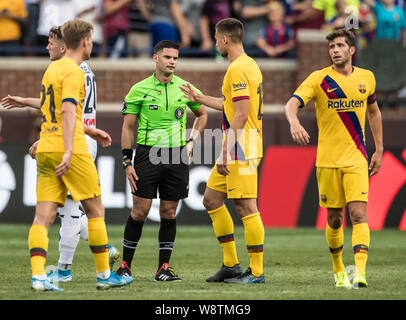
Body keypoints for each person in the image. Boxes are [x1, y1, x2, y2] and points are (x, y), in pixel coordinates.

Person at [1, 25, 121, 284]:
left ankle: (64, 269)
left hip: (74, 141)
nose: (48, 47)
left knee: (69, 211)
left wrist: (47, 139)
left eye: (52, 42)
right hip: (77, 137)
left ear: (65, 45)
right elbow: (58, 106)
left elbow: (64, 111)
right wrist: (25, 100)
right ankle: (102, 258)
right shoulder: (81, 70)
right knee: (79, 209)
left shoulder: (66, 69)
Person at [284, 28, 383, 289]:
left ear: (351, 50)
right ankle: (339, 270)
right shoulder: (319, 79)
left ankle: (360, 273)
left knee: (358, 213)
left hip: (357, 159)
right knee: (335, 219)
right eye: (331, 47)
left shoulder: (367, 78)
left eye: (339, 46)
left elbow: (373, 112)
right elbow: (291, 103)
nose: (335, 50)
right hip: (327, 161)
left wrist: (379, 149)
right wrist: (294, 122)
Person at [180, 18, 265, 284]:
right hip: (241, 142)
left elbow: (240, 115)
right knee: (211, 199)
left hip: (242, 144)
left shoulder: (238, 69)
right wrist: (199, 98)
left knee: (245, 205)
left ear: (225, 39)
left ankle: (257, 272)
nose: (216, 43)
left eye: (217, 39)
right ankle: (230, 265)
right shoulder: (246, 65)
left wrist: (226, 151)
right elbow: (230, 105)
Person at [117, 40, 207, 282]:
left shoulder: (185, 88)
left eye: (175, 58)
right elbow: (128, 127)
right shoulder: (139, 88)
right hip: (147, 155)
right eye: (167, 57)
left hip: (176, 155)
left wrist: (191, 141)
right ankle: (125, 266)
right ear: (155, 58)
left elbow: (202, 114)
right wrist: (127, 161)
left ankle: (163, 269)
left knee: (169, 212)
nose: (172, 62)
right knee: (140, 211)